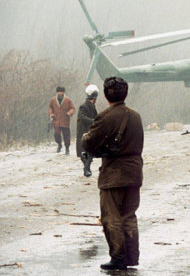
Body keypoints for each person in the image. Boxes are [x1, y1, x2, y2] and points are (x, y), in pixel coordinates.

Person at [81, 77, 144, 270]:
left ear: (107, 95)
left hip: (114, 174)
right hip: (134, 171)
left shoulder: (105, 117)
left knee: (111, 217)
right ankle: (132, 256)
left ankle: (118, 258)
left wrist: (85, 138)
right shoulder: (136, 116)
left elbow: (89, 141)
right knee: (129, 215)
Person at [76, 84, 99, 177]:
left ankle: (87, 167)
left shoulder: (92, 106)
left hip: (90, 130)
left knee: (89, 151)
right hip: (83, 130)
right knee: (84, 150)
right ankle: (86, 168)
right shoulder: (83, 106)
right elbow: (83, 117)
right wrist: (94, 121)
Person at [48, 86, 75, 155]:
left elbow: (72, 108)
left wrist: (69, 113)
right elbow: (50, 107)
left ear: (63, 92)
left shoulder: (68, 100)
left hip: (65, 120)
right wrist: (51, 114)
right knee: (56, 134)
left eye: (61, 92)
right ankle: (59, 144)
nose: (60, 93)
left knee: (66, 135)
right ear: (57, 92)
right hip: (56, 120)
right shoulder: (53, 100)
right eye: (59, 92)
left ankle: (67, 148)